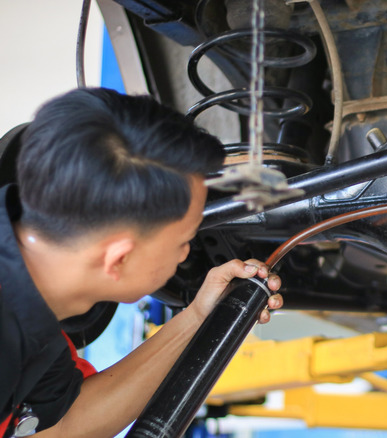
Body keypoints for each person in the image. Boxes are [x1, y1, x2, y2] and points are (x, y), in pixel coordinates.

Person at [0, 87, 283, 437]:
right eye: (183, 242)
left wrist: (198, 317)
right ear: (118, 259)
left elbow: (65, 423)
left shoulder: (35, 312)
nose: (185, 254)